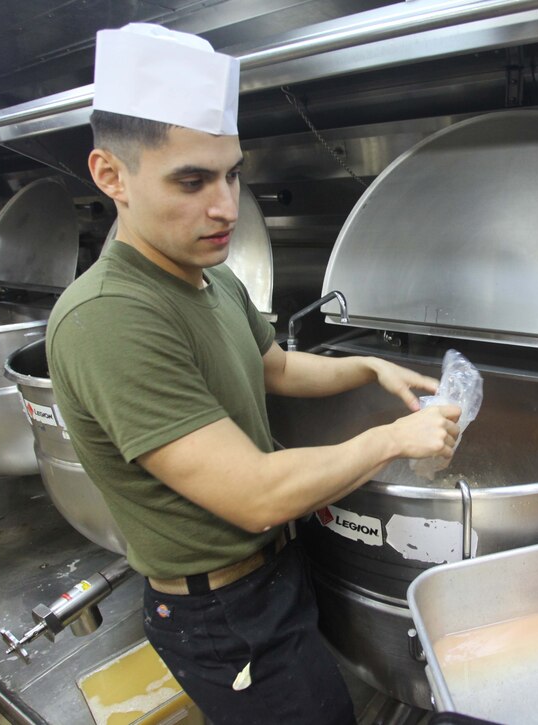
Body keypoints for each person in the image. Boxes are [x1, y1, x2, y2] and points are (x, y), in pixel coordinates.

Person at [47, 23, 462, 725]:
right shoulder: (111, 318)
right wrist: (396, 438)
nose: (226, 207)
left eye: (232, 173)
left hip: (271, 573)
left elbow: (274, 367)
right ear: (110, 176)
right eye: (192, 180)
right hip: (220, 612)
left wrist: (368, 366)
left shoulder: (209, 278)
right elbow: (255, 495)